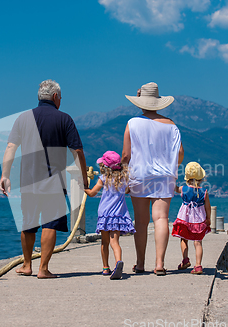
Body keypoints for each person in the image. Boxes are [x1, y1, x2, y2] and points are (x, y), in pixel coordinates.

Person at [0, 79, 88, 279]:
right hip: (54, 183)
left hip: (28, 181)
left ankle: (27, 265)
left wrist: (5, 175)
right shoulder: (64, 119)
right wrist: (83, 176)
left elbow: (10, 148)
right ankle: (43, 269)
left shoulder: (23, 118)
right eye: (61, 98)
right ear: (55, 97)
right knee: (50, 224)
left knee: (28, 224)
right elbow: (77, 150)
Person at [121, 82, 184, 276]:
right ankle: (159, 264)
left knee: (141, 221)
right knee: (161, 218)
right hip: (165, 176)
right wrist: (171, 166)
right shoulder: (171, 125)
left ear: (140, 101)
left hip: (139, 174)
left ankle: (140, 264)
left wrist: (124, 176)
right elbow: (180, 153)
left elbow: (125, 155)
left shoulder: (132, 123)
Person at [84, 151, 135, 280]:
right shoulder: (123, 180)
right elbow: (128, 190)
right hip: (118, 215)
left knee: (104, 242)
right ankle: (118, 261)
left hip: (105, 215)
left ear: (105, 166)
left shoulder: (103, 179)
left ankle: (105, 268)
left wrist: (84, 187)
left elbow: (92, 193)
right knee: (115, 242)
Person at [172, 162, 211, 274]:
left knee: (183, 238)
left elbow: (175, 188)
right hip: (199, 220)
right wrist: (208, 219)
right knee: (198, 242)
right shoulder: (204, 192)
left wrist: (173, 177)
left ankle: (185, 260)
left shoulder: (183, 189)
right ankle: (198, 265)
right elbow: (208, 207)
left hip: (185, 219)